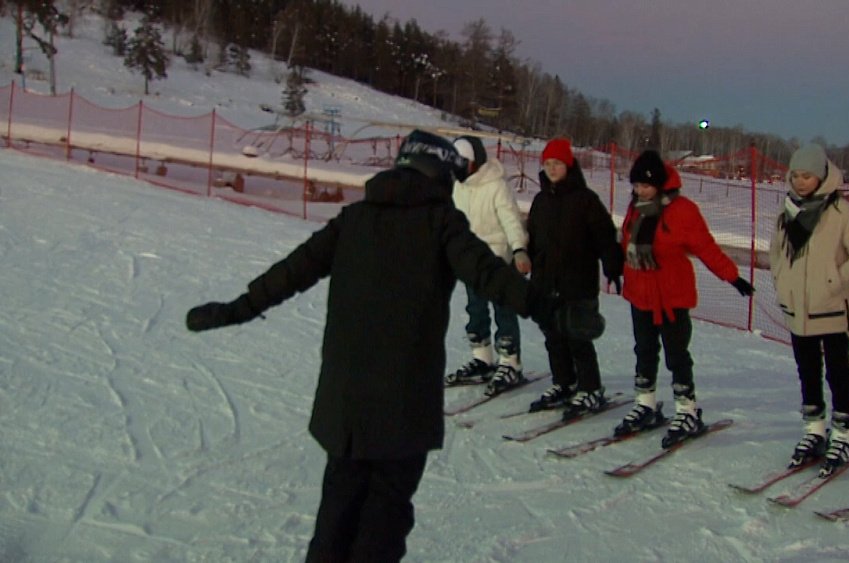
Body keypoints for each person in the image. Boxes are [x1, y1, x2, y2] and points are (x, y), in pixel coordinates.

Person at [184, 130, 573, 562]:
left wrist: (236, 309)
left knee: (336, 515)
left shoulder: (354, 219)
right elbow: (489, 274)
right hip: (403, 404)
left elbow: (290, 273)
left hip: (346, 403)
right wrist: (551, 311)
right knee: (383, 524)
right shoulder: (441, 222)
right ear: (441, 177)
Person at [614, 150, 755, 446]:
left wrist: (732, 276)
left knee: (677, 355)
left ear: (661, 184)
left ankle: (687, 410)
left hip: (671, 296)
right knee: (644, 350)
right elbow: (626, 243)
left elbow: (705, 247)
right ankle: (645, 403)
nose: (640, 190)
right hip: (640, 294)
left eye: (646, 185)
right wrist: (616, 268)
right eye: (637, 185)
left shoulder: (682, 210)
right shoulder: (635, 208)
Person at [770, 143, 849, 476]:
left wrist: (834, 284)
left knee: (838, 373)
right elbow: (776, 252)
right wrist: (781, 280)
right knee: (808, 371)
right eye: (796, 175)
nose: (801, 182)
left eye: (808, 176)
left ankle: (843, 433)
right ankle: (814, 430)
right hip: (798, 311)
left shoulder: (841, 212)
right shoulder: (787, 211)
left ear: (822, 176)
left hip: (830, 310)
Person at [526, 137, 624, 420]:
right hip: (546, 281)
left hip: (577, 281)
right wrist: (525, 261)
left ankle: (591, 387)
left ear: (568, 165)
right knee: (553, 336)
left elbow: (605, 237)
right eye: (548, 164)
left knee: (578, 336)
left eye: (557, 163)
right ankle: (564, 382)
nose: (552, 168)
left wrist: (612, 265)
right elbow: (533, 238)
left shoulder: (585, 200)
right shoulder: (540, 200)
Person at [445, 135, 533, 396]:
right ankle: (483, 357)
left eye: (463, 161)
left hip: (498, 260)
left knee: (503, 310)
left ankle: (510, 361)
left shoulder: (496, 185)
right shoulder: (458, 186)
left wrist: (519, 249)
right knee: (475, 308)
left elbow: (510, 219)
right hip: (469, 260)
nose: (459, 166)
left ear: (475, 161)